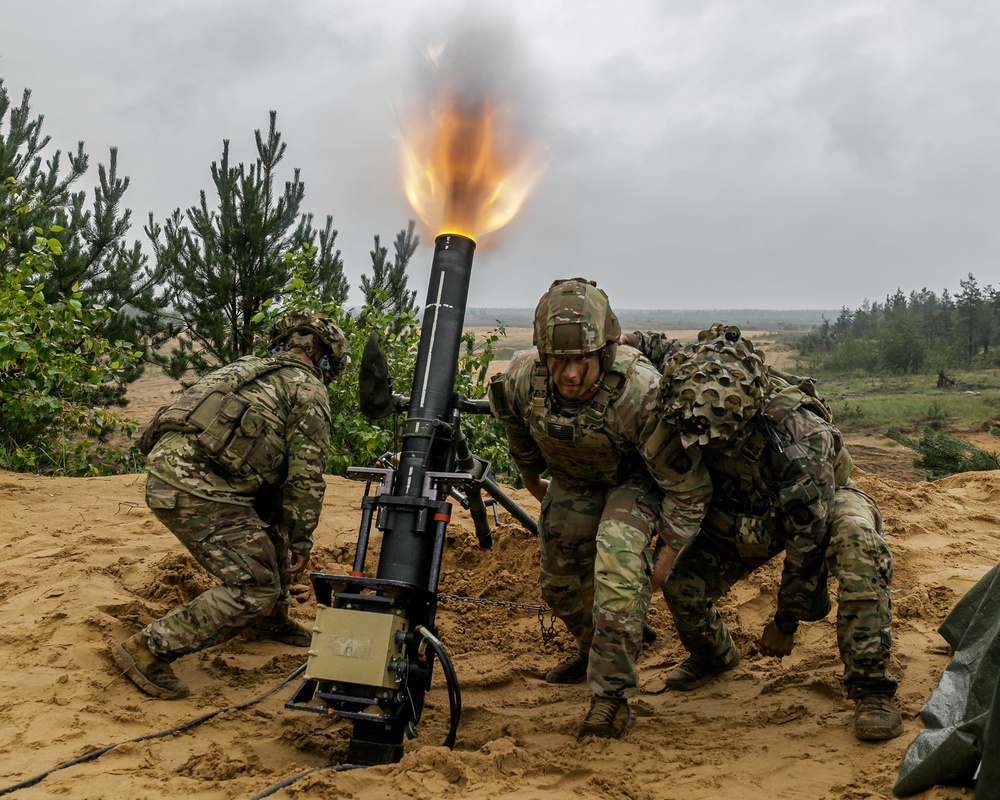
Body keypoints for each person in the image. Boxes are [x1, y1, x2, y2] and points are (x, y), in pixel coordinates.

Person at [642, 323, 902, 741]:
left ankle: (872, 690)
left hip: (821, 501)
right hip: (742, 505)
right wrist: (623, 340)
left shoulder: (800, 437)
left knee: (858, 547)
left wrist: (785, 621)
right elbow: (661, 346)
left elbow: (808, 539)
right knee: (681, 585)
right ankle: (714, 659)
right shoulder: (693, 378)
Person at [487, 278, 696, 742]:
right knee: (560, 585)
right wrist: (529, 479)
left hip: (634, 483)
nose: (570, 374)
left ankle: (611, 700)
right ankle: (598, 647)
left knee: (618, 574)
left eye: (581, 359)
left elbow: (687, 486)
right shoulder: (524, 377)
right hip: (575, 480)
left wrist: (663, 560)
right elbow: (517, 426)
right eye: (558, 360)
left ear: (604, 352)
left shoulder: (639, 391)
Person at [113, 311, 347, 700]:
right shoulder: (309, 392)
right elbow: (305, 479)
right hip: (200, 491)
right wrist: (304, 544)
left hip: (171, 473)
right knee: (255, 586)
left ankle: (271, 622)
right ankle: (148, 649)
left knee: (272, 521)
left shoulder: (243, 368)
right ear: (326, 360)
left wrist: (288, 531)